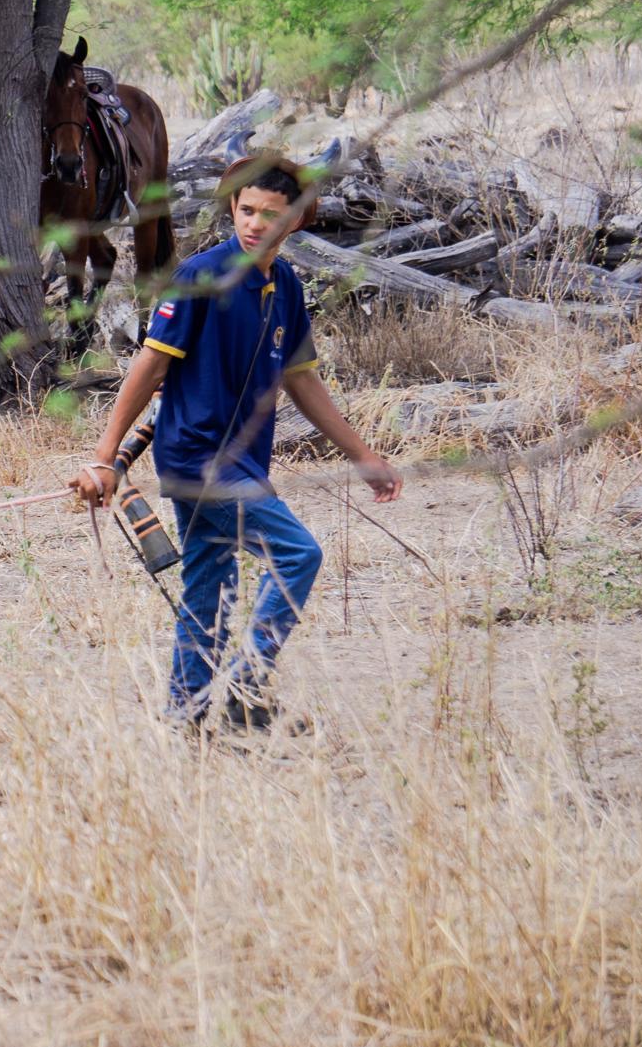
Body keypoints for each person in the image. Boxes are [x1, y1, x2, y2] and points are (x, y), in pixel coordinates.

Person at [70, 154, 403, 734]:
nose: (254, 224)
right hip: (197, 459)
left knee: (208, 590)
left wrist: (363, 455)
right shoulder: (200, 275)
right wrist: (104, 459)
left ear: (294, 221)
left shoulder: (285, 286)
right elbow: (148, 367)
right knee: (299, 555)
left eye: (270, 215)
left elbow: (302, 381)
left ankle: (184, 718)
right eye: (246, 210)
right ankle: (246, 693)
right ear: (232, 207)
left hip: (242, 460)